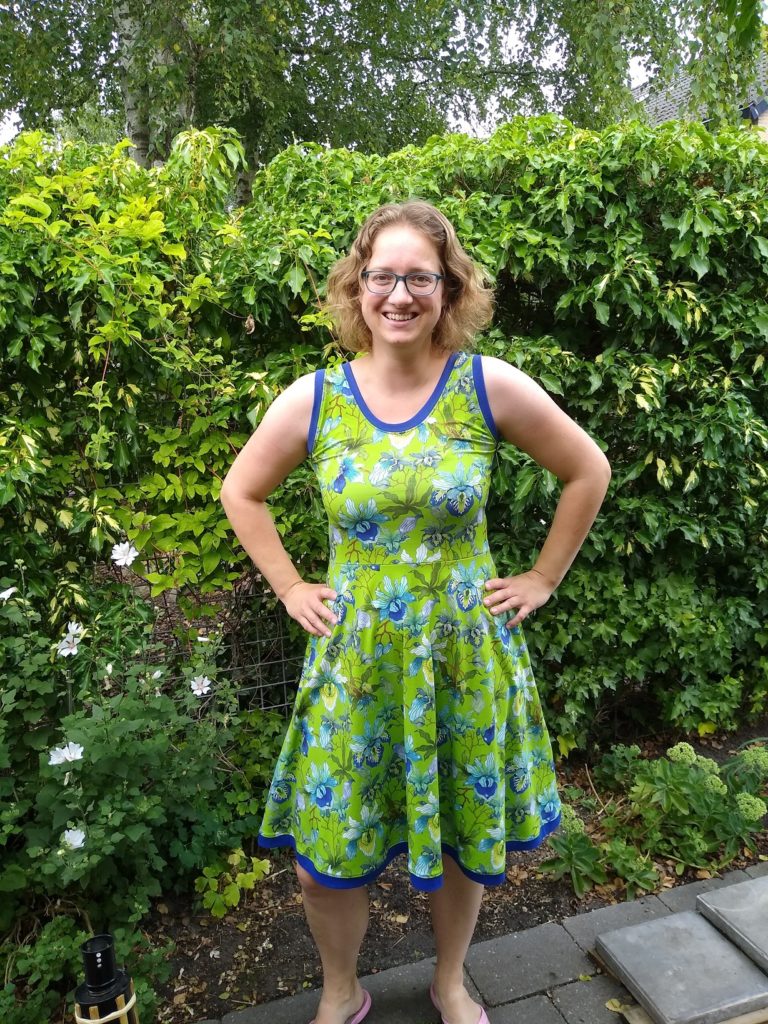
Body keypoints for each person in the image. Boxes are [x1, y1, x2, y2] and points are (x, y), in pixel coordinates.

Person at [220, 200, 611, 1024]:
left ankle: (450, 981)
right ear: (356, 287)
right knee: (323, 860)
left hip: (462, 656)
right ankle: (340, 990)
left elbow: (588, 469)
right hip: (356, 661)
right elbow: (241, 491)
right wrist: (290, 586)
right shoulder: (315, 400)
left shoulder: (486, 386)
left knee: (464, 842)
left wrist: (542, 577)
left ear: (450, 289)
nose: (399, 295)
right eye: (383, 277)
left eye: (420, 278)